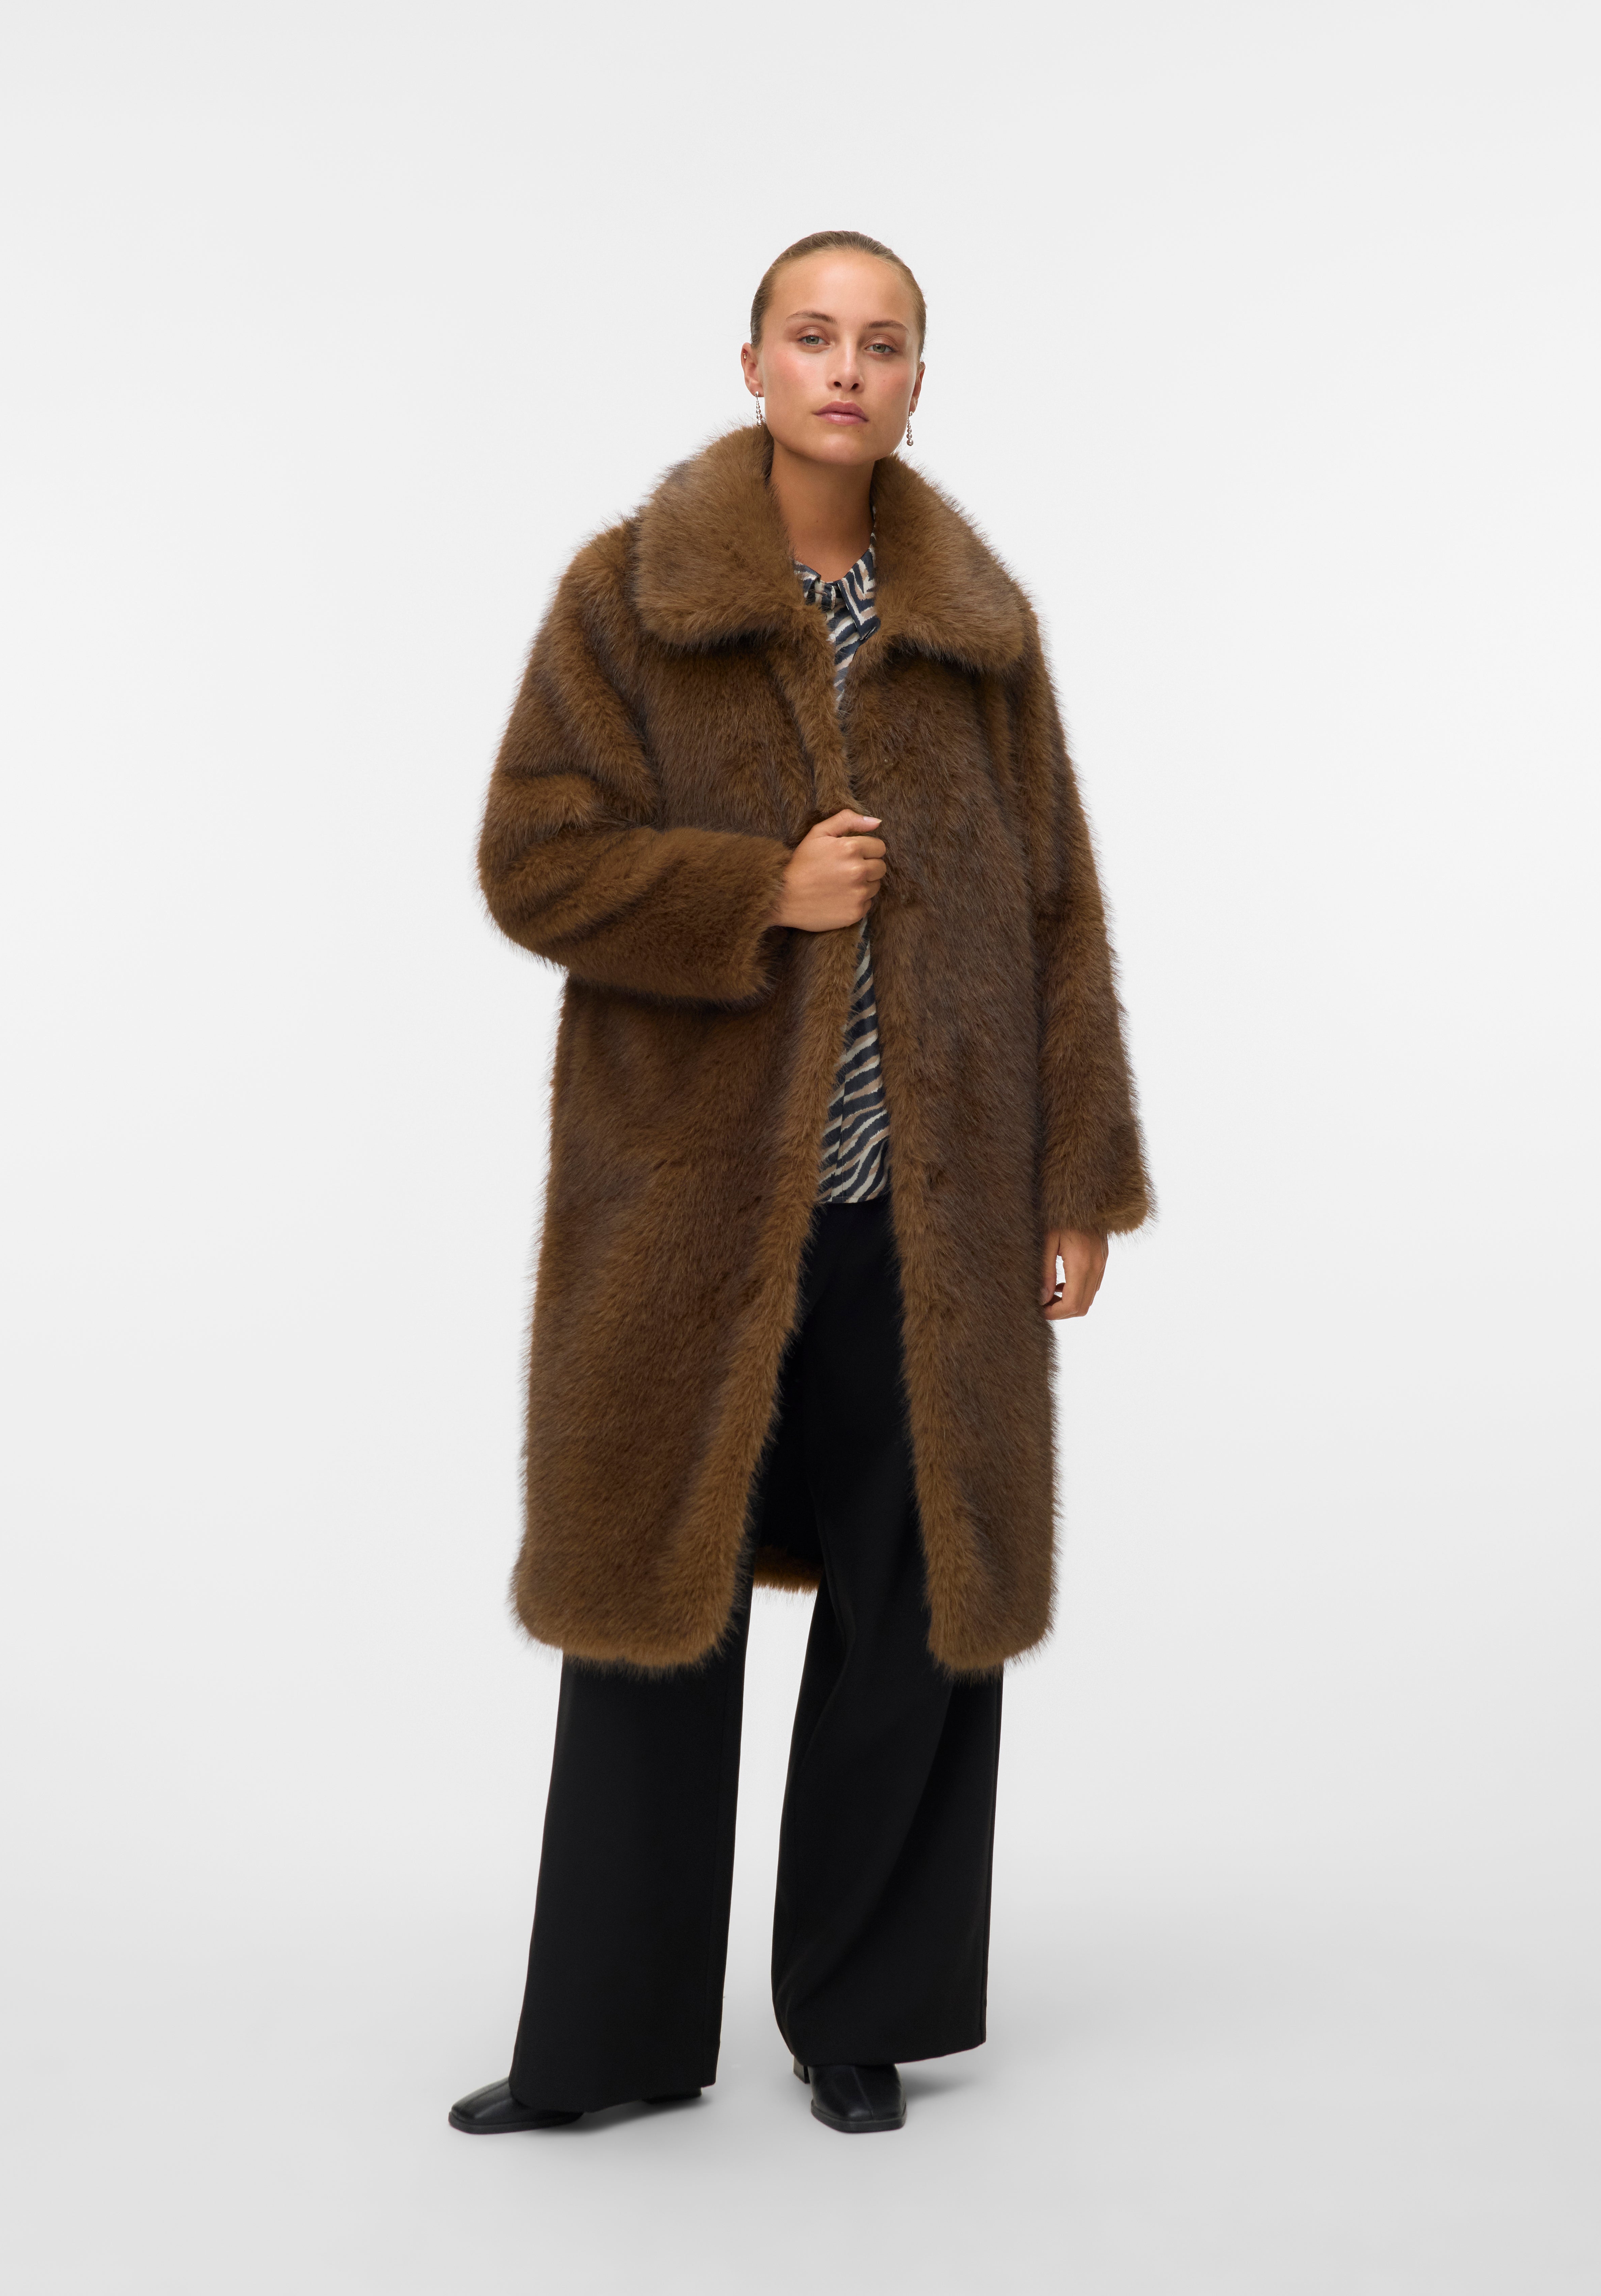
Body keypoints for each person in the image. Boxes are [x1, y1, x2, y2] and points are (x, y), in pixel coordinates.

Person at [450, 230, 1151, 2138]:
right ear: (753, 361)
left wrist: (1074, 1177)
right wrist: (756, 888)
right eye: (815, 335)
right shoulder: (630, 598)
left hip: (934, 1214)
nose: (848, 369)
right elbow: (533, 857)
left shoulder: (979, 632)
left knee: (921, 1608)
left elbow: (1060, 907)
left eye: (885, 343)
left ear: (920, 379)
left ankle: (863, 2015)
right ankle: (605, 2042)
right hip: (688, 1207)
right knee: (651, 1606)